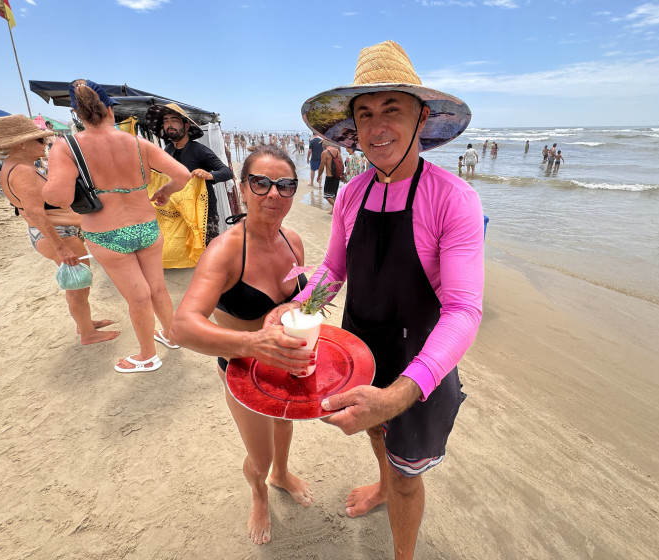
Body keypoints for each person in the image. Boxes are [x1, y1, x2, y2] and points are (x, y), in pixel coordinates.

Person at [293, 41, 483, 559]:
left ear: (422, 117)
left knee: (407, 478)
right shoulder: (352, 193)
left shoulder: (453, 198)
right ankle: (381, 484)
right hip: (362, 349)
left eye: (392, 110)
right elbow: (333, 271)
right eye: (365, 113)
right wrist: (296, 315)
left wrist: (402, 392)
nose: (377, 127)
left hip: (421, 364)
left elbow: (465, 309)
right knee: (378, 437)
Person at [170, 146, 315, 546]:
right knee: (259, 455)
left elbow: (302, 294)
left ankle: (282, 476)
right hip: (243, 370)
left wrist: (293, 304)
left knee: (286, 425)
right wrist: (253, 342)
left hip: (287, 363)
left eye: (285, 185)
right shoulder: (226, 249)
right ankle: (260, 492)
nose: (273, 193)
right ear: (243, 188)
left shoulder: (294, 241)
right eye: (261, 183)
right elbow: (182, 326)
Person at [43, 79, 191, 374]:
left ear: (77, 113)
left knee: (137, 296)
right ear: (111, 110)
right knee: (157, 288)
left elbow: (57, 198)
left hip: (106, 233)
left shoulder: (67, 147)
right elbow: (183, 174)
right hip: (147, 226)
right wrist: (165, 192)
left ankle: (147, 355)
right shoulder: (138, 143)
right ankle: (171, 335)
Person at [0, 114, 119, 346]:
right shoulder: (22, 171)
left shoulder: (15, 167)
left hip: (54, 232)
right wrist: (61, 248)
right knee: (79, 286)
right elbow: (35, 212)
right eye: (39, 140)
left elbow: (26, 211)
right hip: (57, 235)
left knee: (77, 284)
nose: (45, 144)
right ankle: (88, 334)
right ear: (21, 143)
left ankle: (85, 324)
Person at [146, 103, 234, 246]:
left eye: (174, 120)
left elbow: (227, 172)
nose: (170, 125)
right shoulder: (167, 151)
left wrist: (209, 175)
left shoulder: (199, 150)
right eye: (166, 121)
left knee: (206, 253)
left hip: (204, 213)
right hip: (179, 212)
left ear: (186, 126)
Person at [318, 142, 344, 210]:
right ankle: (333, 211)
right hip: (337, 176)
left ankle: (339, 210)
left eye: (322, 144)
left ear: (324, 144)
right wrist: (341, 174)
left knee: (327, 196)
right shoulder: (337, 151)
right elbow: (342, 164)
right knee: (333, 195)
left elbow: (321, 166)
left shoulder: (325, 152)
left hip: (330, 177)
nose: (322, 146)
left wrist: (318, 176)